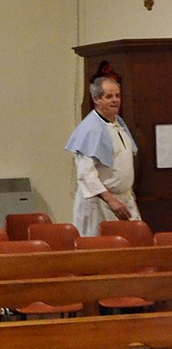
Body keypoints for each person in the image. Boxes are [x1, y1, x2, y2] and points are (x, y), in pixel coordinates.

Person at [65, 75, 140, 236]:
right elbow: (86, 174)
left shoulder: (118, 124)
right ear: (96, 99)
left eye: (117, 96)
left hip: (124, 199)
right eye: (109, 96)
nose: (115, 100)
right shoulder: (90, 129)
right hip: (100, 203)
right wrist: (110, 200)